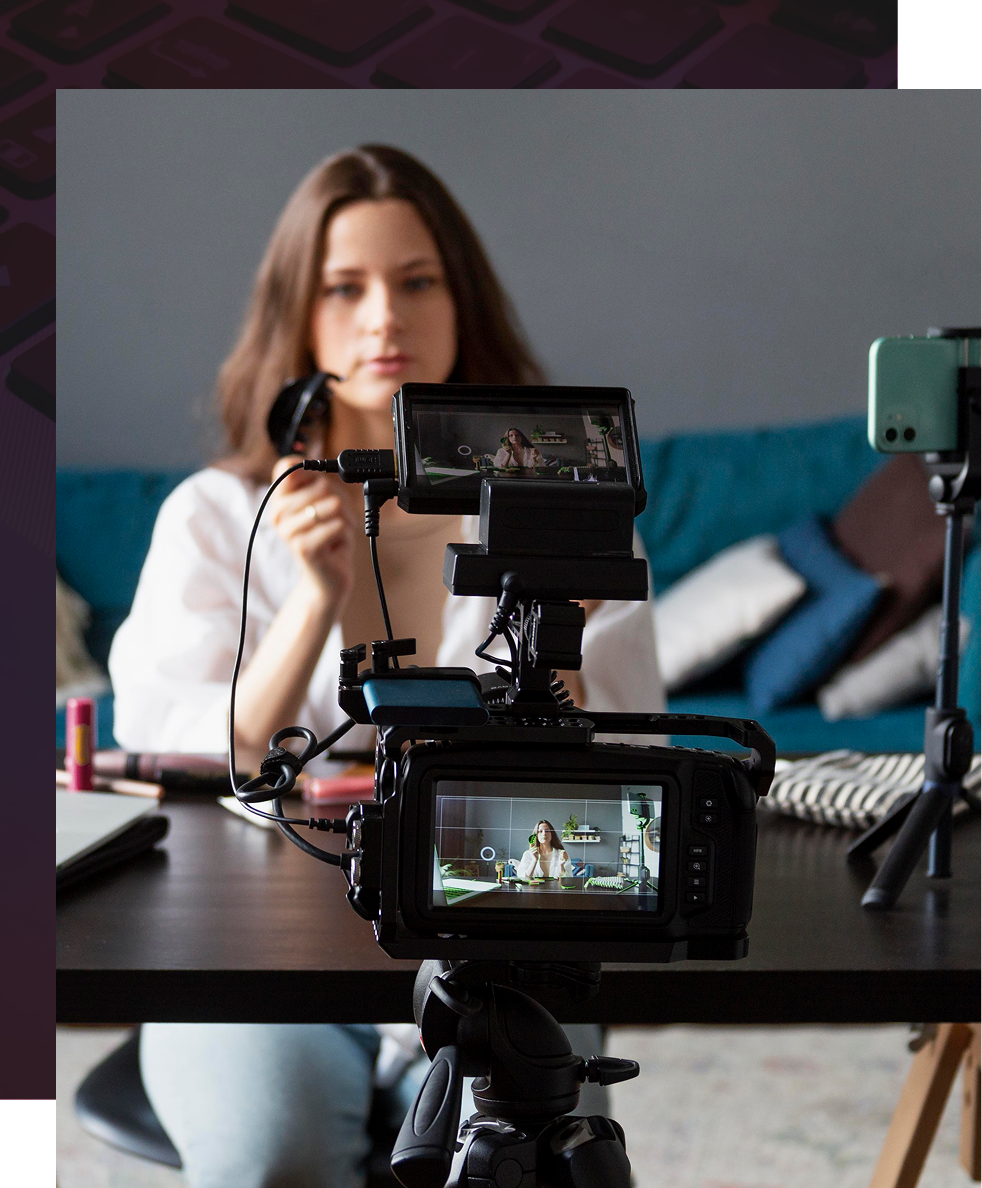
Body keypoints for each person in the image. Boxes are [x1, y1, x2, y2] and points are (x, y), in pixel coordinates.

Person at [108, 144, 665, 1188]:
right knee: (268, 1159)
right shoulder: (217, 516)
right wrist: (312, 595)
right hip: (253, 954)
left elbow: (622, 765)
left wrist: (565, 630)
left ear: (463, 302)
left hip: (496, 943)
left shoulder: (577, 528)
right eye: (344, 288)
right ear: (298, 317)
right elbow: (169, 744)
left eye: (416, 282)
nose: (384, 320)